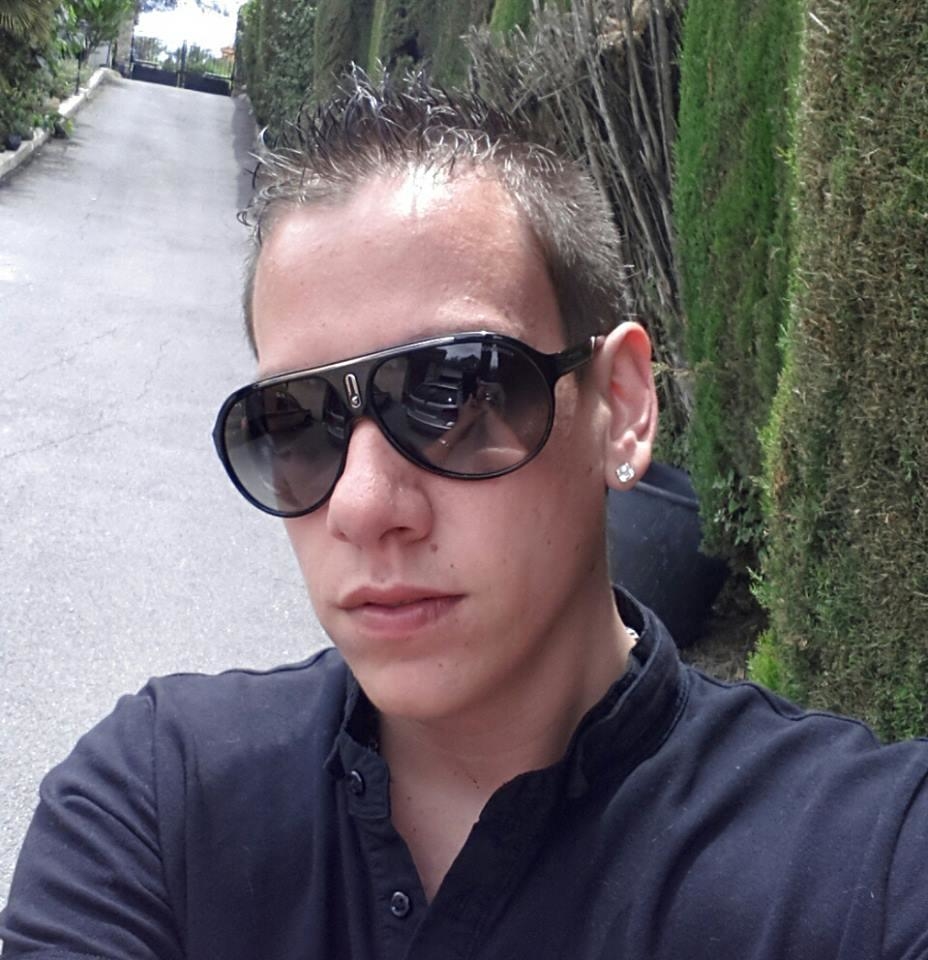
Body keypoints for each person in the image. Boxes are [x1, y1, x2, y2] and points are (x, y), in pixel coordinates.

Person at [1, 71, 926, 960]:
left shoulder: (865, 868)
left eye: (457, 393)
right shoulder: (156, 807)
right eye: (295, 422)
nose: (363, 506)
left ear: (621, 407)